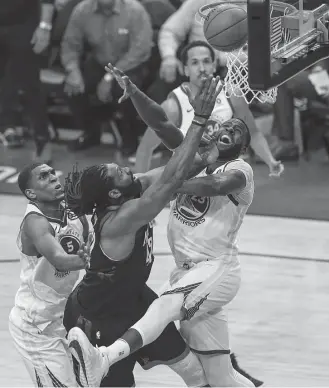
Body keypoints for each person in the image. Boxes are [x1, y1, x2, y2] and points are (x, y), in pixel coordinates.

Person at [67, 65, 258, 387]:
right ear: (114, 193)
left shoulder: (237, 169)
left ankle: (108, 356)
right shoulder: (128, 209)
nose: (130, 169)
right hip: (105, 310)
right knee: (212, 376)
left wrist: (136, 94)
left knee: (166, 304)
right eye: (120, 171)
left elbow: (164, 131)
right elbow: (165, 141)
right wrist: (185, 161)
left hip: (211, 268)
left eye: (238, 132)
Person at [135, 40, 283, 178]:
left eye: (206, 61)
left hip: (223, 179)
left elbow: (254, 134)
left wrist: (271, 161)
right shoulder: (173, 106)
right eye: (194, 63)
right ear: (185, 70)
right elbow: (145, 149)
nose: (201, 68)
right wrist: (139, 190)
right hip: (188, 182)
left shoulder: (231, 94)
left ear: (214, 65)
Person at [8, 162, 92, 387]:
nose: (54, 178)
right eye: (44, 177)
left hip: (64, 317)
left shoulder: (73, 210)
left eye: (53, 173)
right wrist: (91, 260)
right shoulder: (34, 222)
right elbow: (59, 259)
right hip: (36, 325)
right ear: (31, 193)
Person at [61, 0, 153, 155]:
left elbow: (140, 50)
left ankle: (130, 138)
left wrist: (109, 77)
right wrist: (72, 70)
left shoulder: (135, 11)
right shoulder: (82, 10)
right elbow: (70, 44)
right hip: (99, 61)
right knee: (72, 87)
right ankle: (91, 132)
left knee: (125, 88)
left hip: (130, 64)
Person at [0, 0, 53, 162]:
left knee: (30, 84)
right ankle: (6, 128)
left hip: (24, 25)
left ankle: (42, 138)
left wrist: (45, 26)